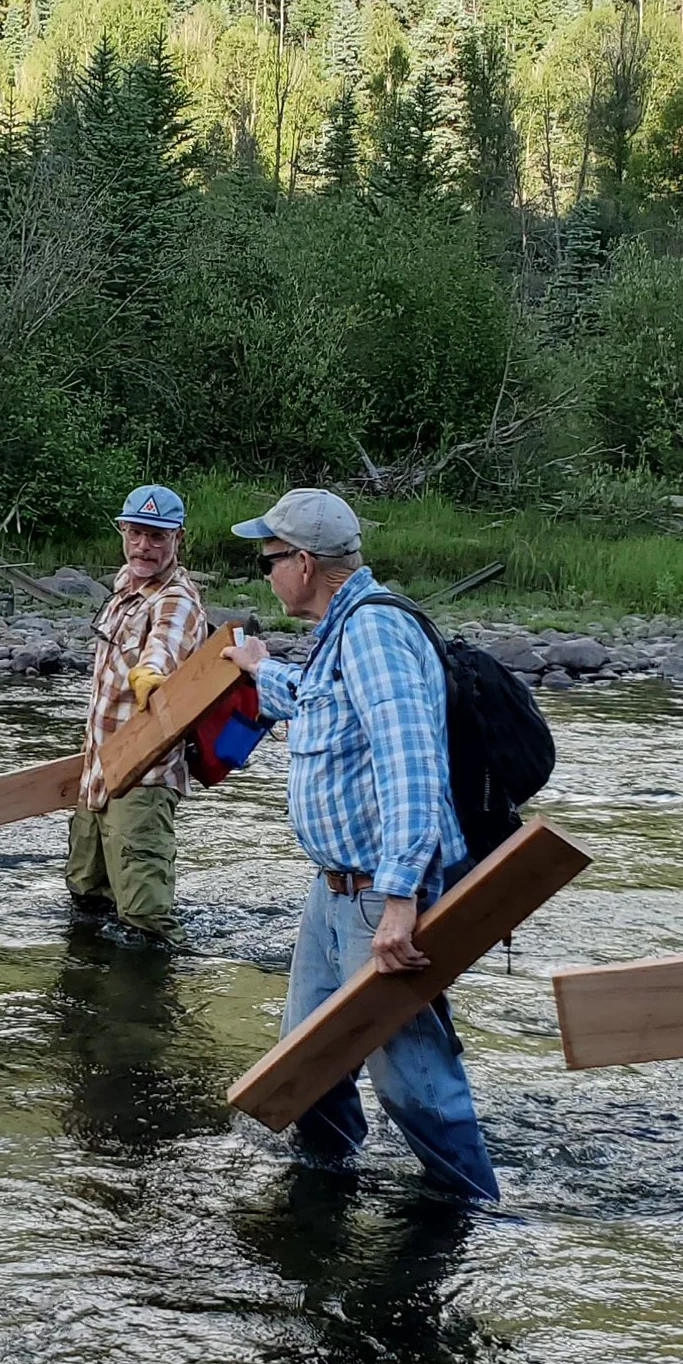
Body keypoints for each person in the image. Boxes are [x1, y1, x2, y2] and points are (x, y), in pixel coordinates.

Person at [229, 486, 499, 1204]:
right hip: (335, 890)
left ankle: (472, 1206)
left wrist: (401, 901)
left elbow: (411, 762)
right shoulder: (339, 633)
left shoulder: (374, 632)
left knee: (413, 1079)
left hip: (378, 892)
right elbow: (321, 706)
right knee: (306, 1064)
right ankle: (327, 1191)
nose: (267, 573)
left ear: (306, 563)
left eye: (270, 560)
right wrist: (259, 669)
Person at [67, 483, 207, 938]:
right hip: (99, 769)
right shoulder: (125, 585)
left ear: (177, 539)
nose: (144, 546)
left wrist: (150, 675)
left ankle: (153, 1003)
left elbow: (163, 647)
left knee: (145, 918)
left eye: (157, 537)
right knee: (86, 894)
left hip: (144, 776)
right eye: (136, 533)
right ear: (123, 532)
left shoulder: (176, 600)